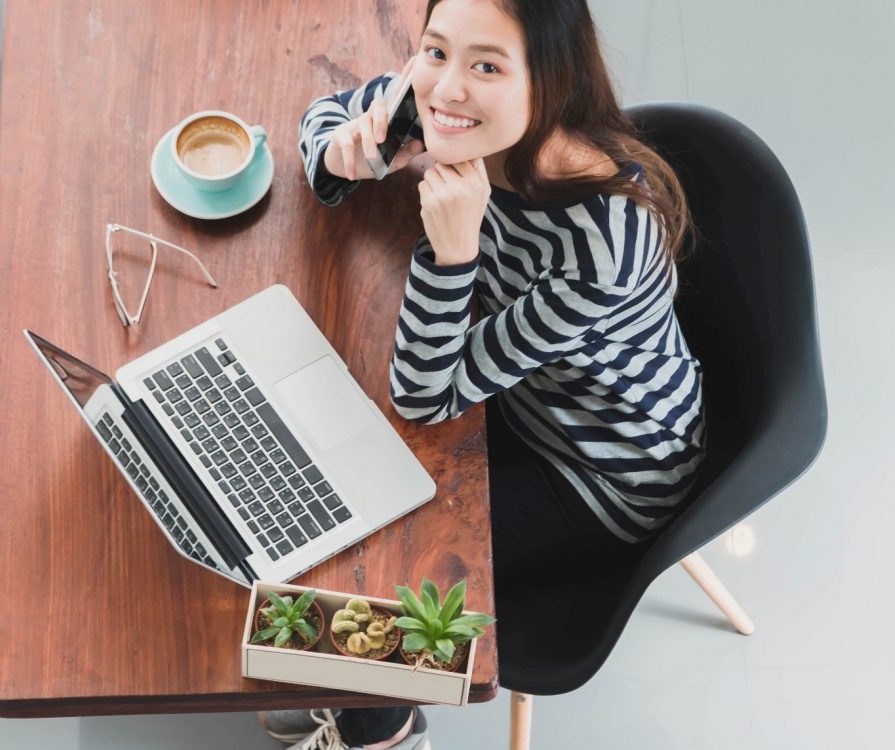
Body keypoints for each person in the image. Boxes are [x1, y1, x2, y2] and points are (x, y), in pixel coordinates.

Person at [264, 0, 705, 747]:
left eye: (488, 66)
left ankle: (380, 725)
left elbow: (425, 393)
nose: (446, 90)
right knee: (321, 489)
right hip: (518, 393)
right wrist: (345, 152)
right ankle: (339, 682)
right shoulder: (448, 102)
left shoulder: (604, 245)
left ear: (552, 84)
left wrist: (453, 252)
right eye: (436, 51)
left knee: (360, 574)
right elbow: (327, 117)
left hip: (600, 474)